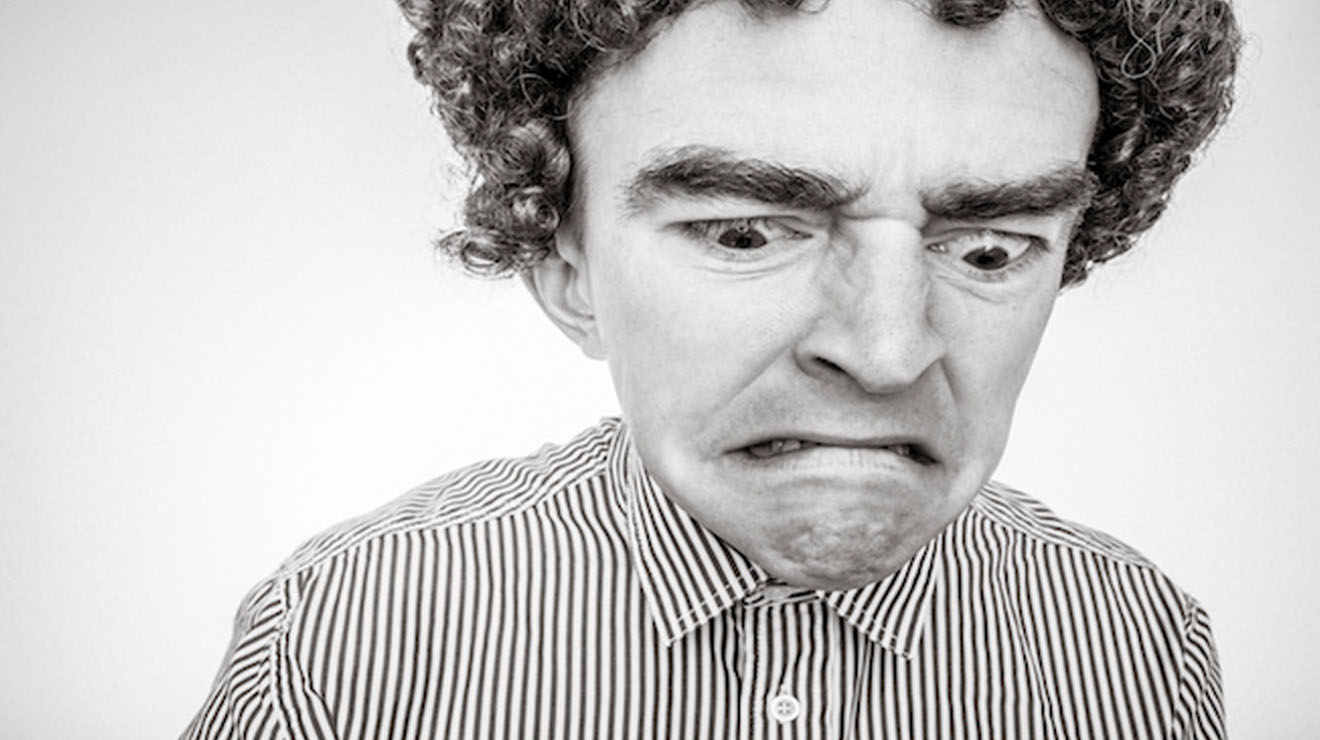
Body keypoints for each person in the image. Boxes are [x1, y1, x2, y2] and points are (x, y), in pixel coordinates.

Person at [184, 0, 1240, 736]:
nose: (886, 353)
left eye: (990, 249)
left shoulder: (1141, 653)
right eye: (743, 233)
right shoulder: (342, 639)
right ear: (567, 269)